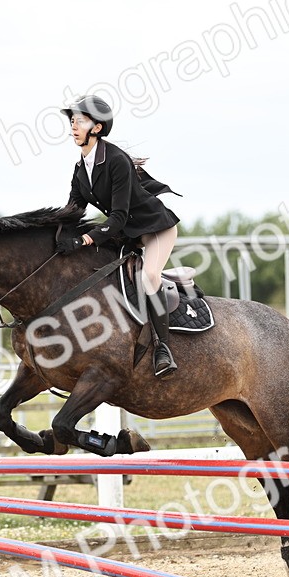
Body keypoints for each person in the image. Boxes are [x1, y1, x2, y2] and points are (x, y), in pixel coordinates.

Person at [56, 95, 181, 378]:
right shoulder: (80, 168)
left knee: (149, 277)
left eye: (80, 121)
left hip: (154, 229)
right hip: (126, 234)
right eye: (72, 121)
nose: (74, 126)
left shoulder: (116, 161)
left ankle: (163, 348)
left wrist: (84, 240)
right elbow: (72, 210)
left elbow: (118, 217)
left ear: (97, 128)